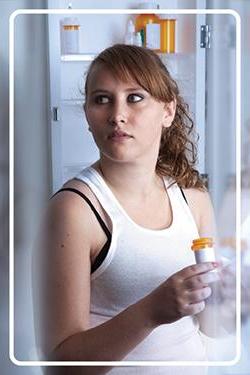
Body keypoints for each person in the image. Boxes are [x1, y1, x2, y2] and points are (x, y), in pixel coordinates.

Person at [32, 44, 233, 374]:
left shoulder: (193, 199)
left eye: (134, 97)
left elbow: (212, 325)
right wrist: (152, 310)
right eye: (102, 99)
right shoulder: (74, 210)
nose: (117, 115)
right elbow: (60, 367)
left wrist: (235, 301)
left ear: (168, 112)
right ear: (87, 115)